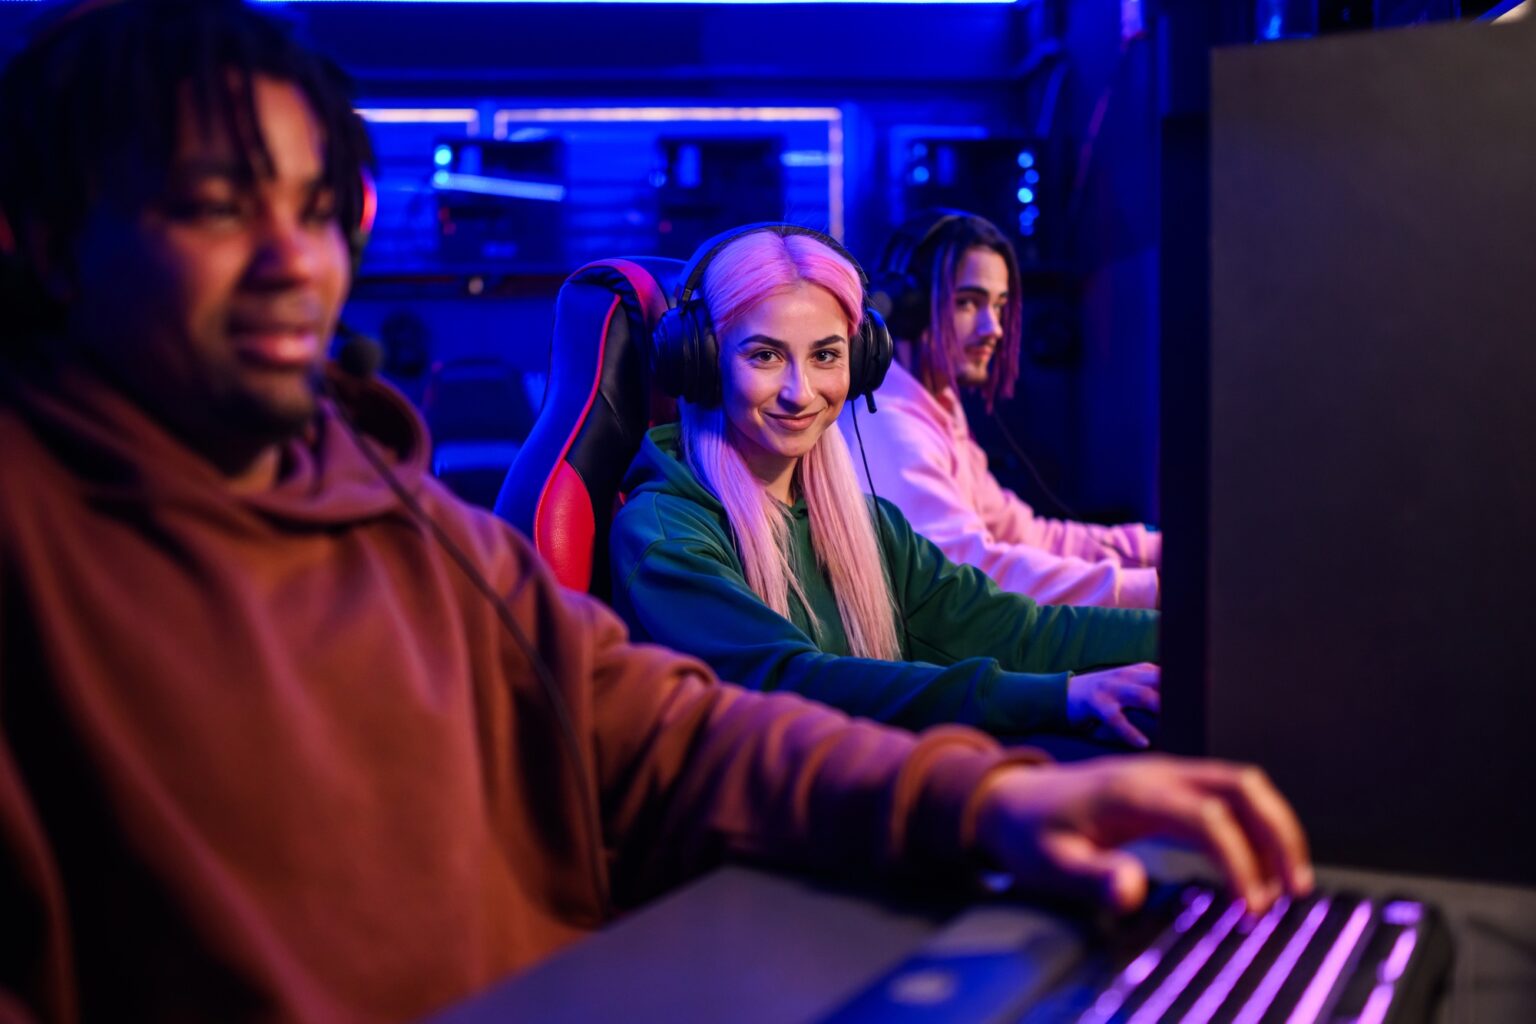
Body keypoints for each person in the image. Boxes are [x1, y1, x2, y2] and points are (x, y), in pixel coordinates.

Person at [0, 3, 1309, 1020]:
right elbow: (781, 679)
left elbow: (669, 733)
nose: (297, 263)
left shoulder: (412, 530)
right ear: (42, 240)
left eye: (315, 210)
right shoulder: (42, 559)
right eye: (217, 211)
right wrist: (1049, 717)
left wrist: (990, 802)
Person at [610, 224, 1162, 746]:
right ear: (702, 364)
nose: (800, 392)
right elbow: (796, 685)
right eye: (765, 355)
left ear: (862, 361)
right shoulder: (664, 535)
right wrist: (1057, 696)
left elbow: (1012, 629)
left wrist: (1191, 632)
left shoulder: (869, 526)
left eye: (826, 355)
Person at [846, 209, 1161, 609]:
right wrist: (1153, 589)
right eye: (967, 303)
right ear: (909, 310)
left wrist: (1153, 549)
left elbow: (1025, 534)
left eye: (998, 306)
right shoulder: (889, 427)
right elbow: (974, 578)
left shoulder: (937, 408)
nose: (993, 327)